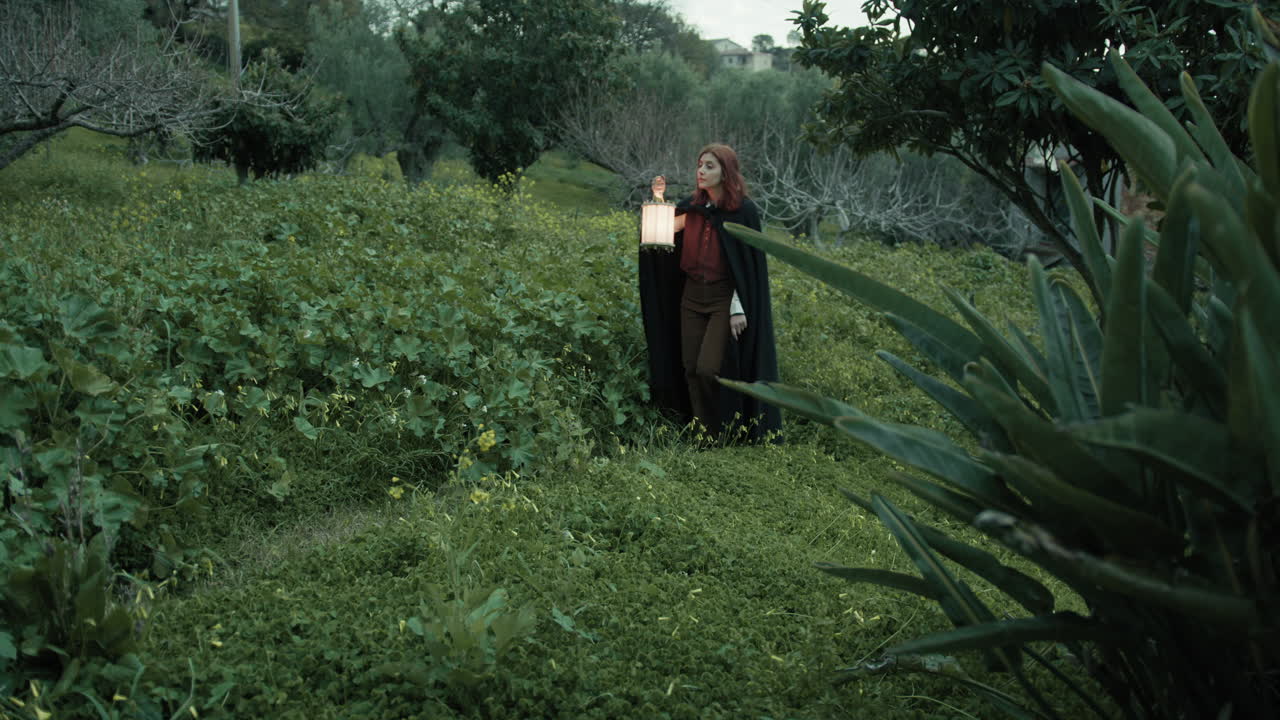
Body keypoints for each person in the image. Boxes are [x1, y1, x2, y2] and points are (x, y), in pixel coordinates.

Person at [638, 143, 782, 442]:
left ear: (725, 172)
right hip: (691, 297)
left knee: (708, 368)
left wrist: (737, 306)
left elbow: (746, 268)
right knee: (691, 367)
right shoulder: (693, 206)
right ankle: (705, 434)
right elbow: (661, 231)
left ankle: (724, 429)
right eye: (700, 165)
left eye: (710, 166)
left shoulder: (743, 211)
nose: (701, 172)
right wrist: (658, 200)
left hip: (722, 299)